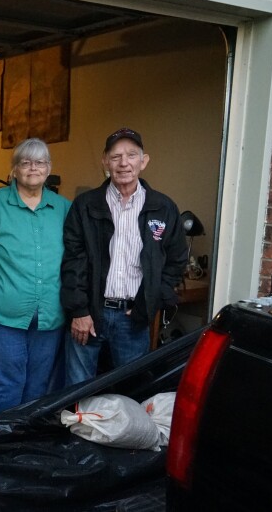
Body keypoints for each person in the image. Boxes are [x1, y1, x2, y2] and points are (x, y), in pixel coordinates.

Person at [60, 127, 187, 386]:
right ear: (105, 162)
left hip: (134, 317)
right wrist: (79, 310)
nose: (124, 163)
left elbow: (176, 259)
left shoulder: (163, 207)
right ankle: (73, 429)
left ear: (144, 161)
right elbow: (73, 259)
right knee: (76, 392)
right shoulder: (86, 205)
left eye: (131, 155)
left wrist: (150, 301)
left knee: (130, 392)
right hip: (89, 315)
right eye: (115, 156)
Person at [0, 138, 71, 415]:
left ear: (49, 168)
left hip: (50, 317)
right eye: (25, 162)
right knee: (4, 388)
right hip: (1, 318)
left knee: (38, 388)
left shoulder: (64, 208)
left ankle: (24, 449)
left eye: (40, 162)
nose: (33, 168)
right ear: (14, 170)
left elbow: (78, 259)